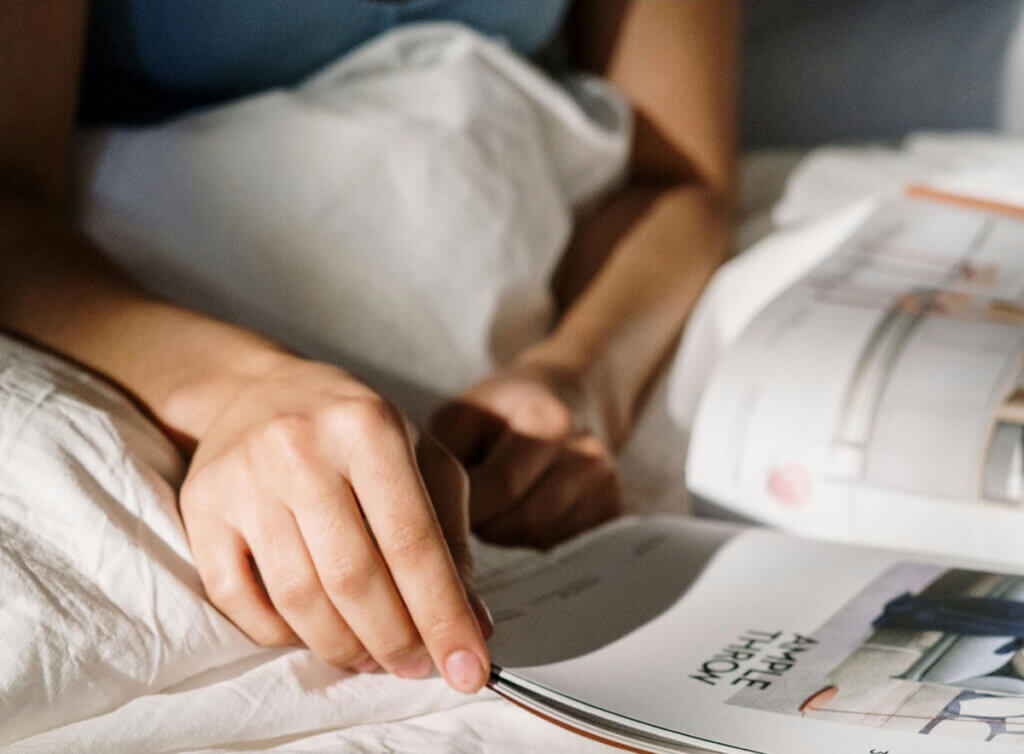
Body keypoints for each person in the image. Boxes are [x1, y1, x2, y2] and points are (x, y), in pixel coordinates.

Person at [1, 1, 738, 694]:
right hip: (142, 324)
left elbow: (682, 178)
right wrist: (243, 389)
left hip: (532, 321)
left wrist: (577, 375)